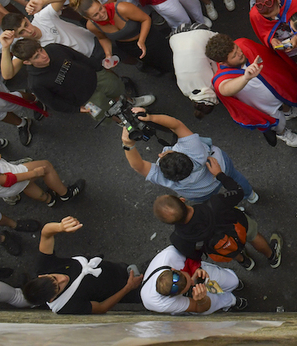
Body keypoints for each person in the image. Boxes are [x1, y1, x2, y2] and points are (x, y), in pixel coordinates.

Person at [153, 156, 281, 271]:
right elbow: (238, 191)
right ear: (182, 200)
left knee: (228, 248)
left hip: (221, 248)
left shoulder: (178, 239)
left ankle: (245, 262)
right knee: (253, 236)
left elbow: (195, 255)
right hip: (240, 227)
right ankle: (271, 256)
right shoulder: (215, 204)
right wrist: (219, 174)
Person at [120, 110, 257, 204]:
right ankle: (251, 195)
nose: (160, 154)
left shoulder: (163, 179)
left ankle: (230, 206)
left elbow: (138, 166)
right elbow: (176, 125)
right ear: (182, 154)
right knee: (236, 178)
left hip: (201, 193)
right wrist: (150, 117)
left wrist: (128, 144)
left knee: (211, 202)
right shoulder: (193, 149)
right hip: (221, 167)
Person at [11, 38, 154, 121]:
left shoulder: (53, 48)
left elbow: (78, 57)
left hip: (97, 77)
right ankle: (123, 122)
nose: (43, 55)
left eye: (40, 50)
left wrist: (99, 68)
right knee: (106, 115)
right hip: (86, 101)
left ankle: (132, 101)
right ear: (27, 62)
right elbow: (53, 102)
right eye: (36, 56)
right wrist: (77, 109)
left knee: (118, 89)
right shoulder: (35, 83)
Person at [206, 33, 297, 148]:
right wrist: (245, 78)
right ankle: (283, 133)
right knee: (279, 124)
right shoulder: (221, 78)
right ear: (222, 63)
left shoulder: (243, 43)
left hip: (278, 92)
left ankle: (289, 112)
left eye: (237, 48)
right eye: (234, 55)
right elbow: (224, 89)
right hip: (267, 108)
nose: (240, 53)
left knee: (285, 103)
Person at [22, 217, 142, 314]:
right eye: (59, 287)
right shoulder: (66, 306)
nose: (63, 279)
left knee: (127, 269)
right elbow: (101, 307)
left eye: (55, 278)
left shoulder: (44, 266)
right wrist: (128, 288)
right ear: (52, 299)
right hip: (119, 289)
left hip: (110, 269)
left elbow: (46, 234)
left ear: (43, 275)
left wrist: (60, 227)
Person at [0, 0, 101, 78]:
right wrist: (5, 48)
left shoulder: (42, 17)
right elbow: (8, 75)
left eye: (26, 25)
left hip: (95, 43)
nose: (29, 31)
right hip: (83, 64)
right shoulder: (25, 47)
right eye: (22, 32)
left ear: (26, 19)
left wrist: (43, 1)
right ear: (16, 36)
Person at [69, 0, 173, 75]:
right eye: (96, 15)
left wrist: (141, 40)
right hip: (129, 47)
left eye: (100, 8)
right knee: (152, 61)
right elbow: (102, 38)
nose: (102, 14)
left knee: (169, 54)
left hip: (149, 37)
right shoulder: (92, 26)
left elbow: (146, 19)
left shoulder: (122, 8)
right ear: (88, 18)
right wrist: (108, 54)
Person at [140, 244, 246, 314]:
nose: (192, 282)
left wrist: (196, 268)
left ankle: (234, 285)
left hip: (193, 270)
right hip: (187, 288)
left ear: (174, 269)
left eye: (189, 280)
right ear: (174, 297)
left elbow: (192, 251)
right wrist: (201, 300)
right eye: (189, 285)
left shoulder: (171, 254)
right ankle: (231, 301)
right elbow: (199, 308)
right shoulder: (158, 303)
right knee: (213, 303)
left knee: (232, 281)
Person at [0, 146, 83, 206]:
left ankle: (49, 200)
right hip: (9, 179)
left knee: (26, 185)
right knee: (46, 167)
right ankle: (66, 194)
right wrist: (35, 173)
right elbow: (8, 180)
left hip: (1, 183)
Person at [169, 24, 220, 118]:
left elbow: (214, 60)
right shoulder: (184, 90)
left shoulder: (211, 83)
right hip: (175, 36)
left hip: (200, 31)